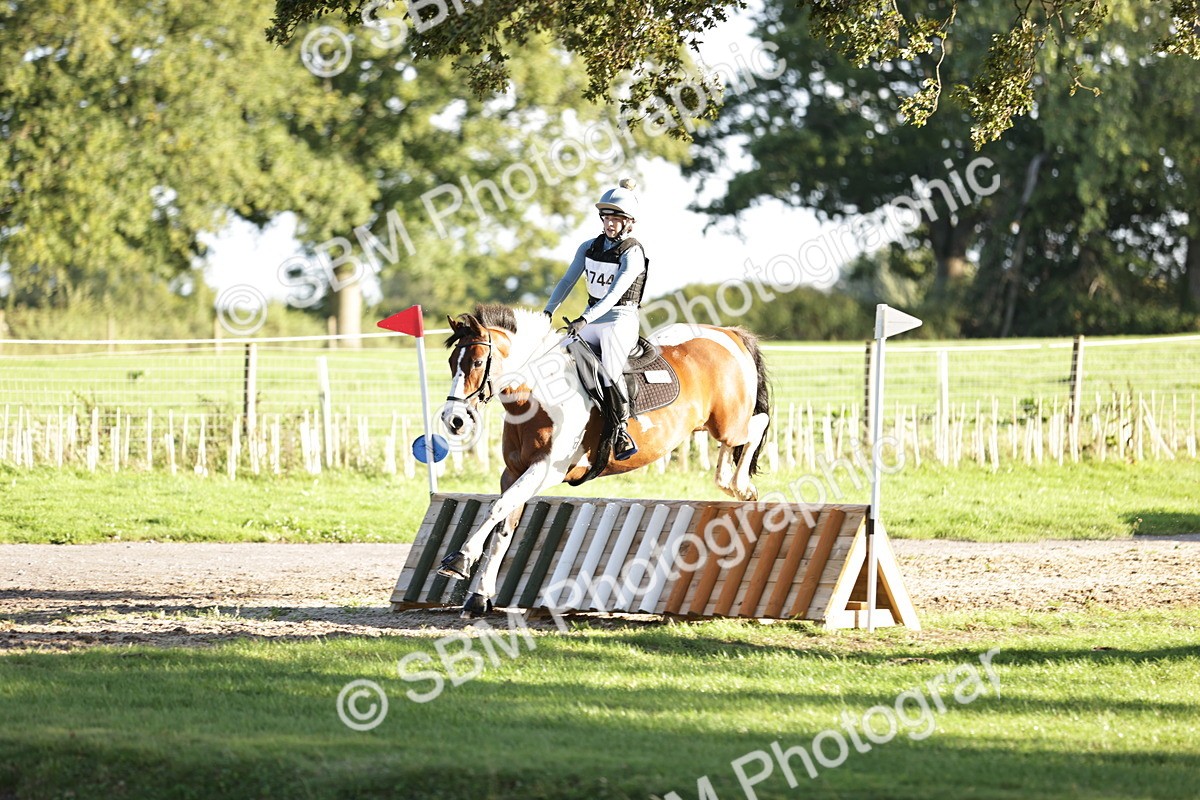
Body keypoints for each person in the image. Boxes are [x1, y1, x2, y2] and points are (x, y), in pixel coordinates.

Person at [544, 178, 648, 460]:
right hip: (593, 319)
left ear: (629, 222)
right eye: (606, 217)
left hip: (620, 320)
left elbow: (614, 295)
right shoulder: (589, 247)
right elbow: (567, 280)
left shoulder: (633, 252)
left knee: (609, 371)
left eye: (616, 218)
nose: (610, 223)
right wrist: (548, 310)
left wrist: (585, 318)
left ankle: (621, 430)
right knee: (554, 355)